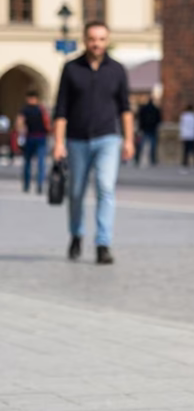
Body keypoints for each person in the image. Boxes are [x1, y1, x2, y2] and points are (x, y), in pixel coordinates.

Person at [52, 21, 135, 265]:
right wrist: (58, 143)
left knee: (105, 187)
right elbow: (61, 109)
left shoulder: (117, 70)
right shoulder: (71, 69)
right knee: (75, 192)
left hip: (108, 138)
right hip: (76, 140)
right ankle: (76, 234)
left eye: (100, 39)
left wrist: (129, 140)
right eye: (92, 39)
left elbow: (126, 109)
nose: (96, 43)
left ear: (107, 41)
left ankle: (103, 243)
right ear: (85, 40)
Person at [16, 90, 50, 194]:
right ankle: (38, 184)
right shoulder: (41, 109)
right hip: (40, 137)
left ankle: (28, 184)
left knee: (29, 162)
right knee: (40, 162)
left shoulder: (25, 110)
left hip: (31, 137)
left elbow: (19, 123)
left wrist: (20, 134)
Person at [134, 97, 162, 167]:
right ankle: (153, 160)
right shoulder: (155, 109)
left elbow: (140, 118)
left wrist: (140, 128)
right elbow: (159, 119)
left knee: (141, 145)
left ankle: (137, 159)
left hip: (144, 129)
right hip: (152, 129)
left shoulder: (144, 109)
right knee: (153, 146)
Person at [179, 103, 194, 173]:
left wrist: (181, 136)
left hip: (185, 136)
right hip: (192, 136)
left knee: (185, 152)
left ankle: (185, 166)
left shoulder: (183, 116)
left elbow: (181, 126)